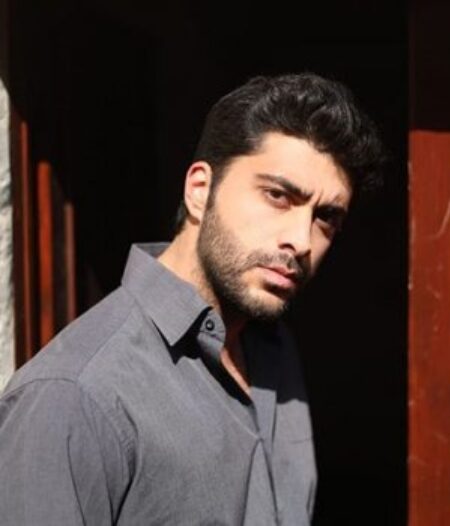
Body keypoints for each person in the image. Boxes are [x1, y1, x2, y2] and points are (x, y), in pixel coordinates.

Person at [0, 72, 384, 525]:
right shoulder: (73, 395)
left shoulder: (275, 349)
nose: (301, 241)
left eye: (325, 218)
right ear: (200, 191)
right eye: (278, 196)